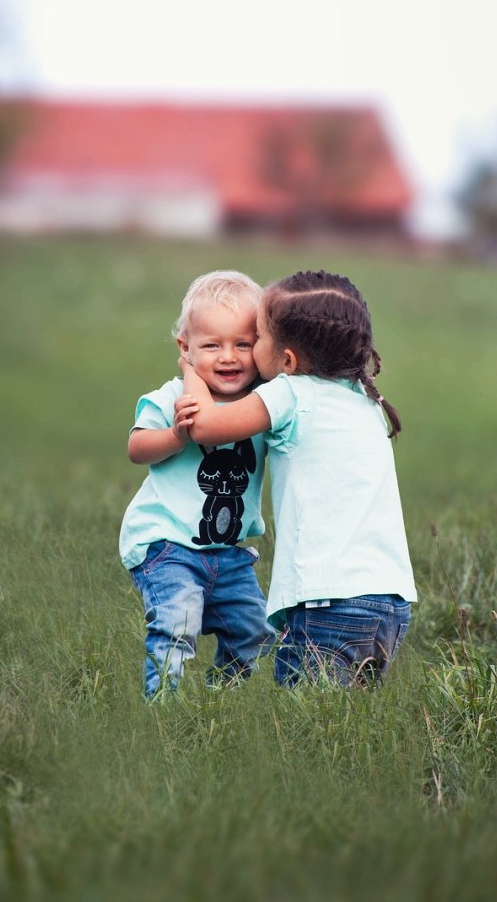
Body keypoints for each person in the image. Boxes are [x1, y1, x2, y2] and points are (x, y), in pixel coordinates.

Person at [175, 269, 416, 688]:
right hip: (390, 603)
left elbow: (204, 426)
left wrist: (191, 366)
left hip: (326, 603)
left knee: (308, 731)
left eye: (257, 338)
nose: (249, 352)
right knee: (348, 729)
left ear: (287, 360)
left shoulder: (290, 393)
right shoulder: (365, 399)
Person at [120, 270, 274, 698]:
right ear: (185, 349)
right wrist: (176, 435)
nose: (229, 357)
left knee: (254, 634)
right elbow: (136, 447)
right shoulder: (173, 397)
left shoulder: (262, 403)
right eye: (212, 345)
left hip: (229, 553)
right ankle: (162, 713)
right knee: (177, 624)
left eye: (243, 344)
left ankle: (218, 703)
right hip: (167, 544)